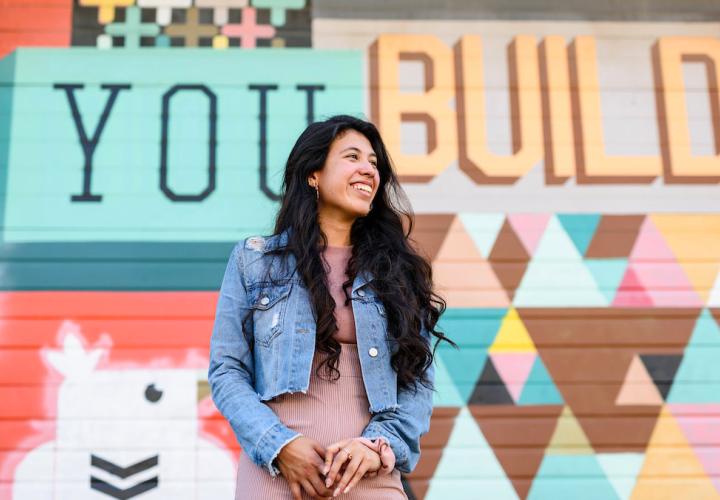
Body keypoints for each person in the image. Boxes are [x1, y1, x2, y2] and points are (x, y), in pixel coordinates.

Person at [208, 114, 455, 499]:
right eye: (352, 157)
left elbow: (418, 380)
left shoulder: (397, 271)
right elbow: (227, 370)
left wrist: (376, 447)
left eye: (374, 163)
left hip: (367, 471)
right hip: (277, 473)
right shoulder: (254, 260)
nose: (367, 170)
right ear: (313, 175)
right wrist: (278, 444)